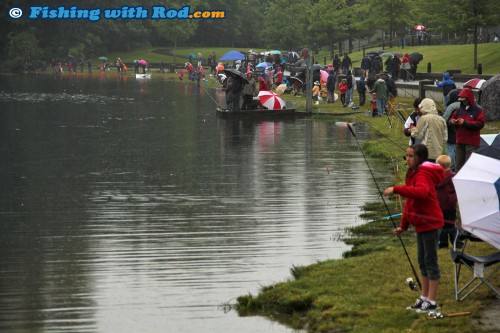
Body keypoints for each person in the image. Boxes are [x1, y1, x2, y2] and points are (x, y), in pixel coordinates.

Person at [383, 144, 445, 313]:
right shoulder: (413, 174)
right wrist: (403, 226)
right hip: (421, 226)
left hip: (431, 225)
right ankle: (424, 297)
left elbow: (421, 192)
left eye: (410, 156)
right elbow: (411, 202)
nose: (407, 159)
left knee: (430, 263)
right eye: (407, 156)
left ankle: (432, 301)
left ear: (419, 158)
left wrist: (396, 189)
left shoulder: (423, 174)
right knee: (422, 262)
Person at [448, 87, 486, 171]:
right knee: (458, 165)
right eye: (461, 100)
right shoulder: (458, 109)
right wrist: (452, 122)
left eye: (464, 99)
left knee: (469, 165)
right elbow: (451, 118)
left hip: (471, 142)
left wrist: (465, 123)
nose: (463, 101)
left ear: (469, 98)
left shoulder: (479, 110)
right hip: (459, 141)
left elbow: (480, 124)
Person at [435, 155, 460, 249]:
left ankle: (443, 243)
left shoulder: (436, 178)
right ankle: (456, 242)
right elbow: (456, 190)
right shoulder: (453, 177)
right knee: (452, 224)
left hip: (440, 205)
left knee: (442, 225)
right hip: (451, 205)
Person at [442, 89, 461, 170]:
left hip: (452, 133)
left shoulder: (451, 106)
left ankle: (451, 167)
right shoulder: (464, 105)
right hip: (462, 133)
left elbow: (444, 120)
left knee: (450, 150)